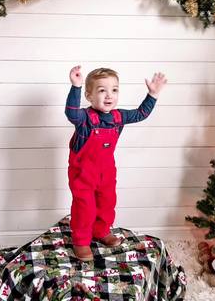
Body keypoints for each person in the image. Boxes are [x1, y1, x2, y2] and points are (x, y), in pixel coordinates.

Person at [65, 65, 167, 261]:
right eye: (102, 90)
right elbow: (71, 113)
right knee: (85, 207)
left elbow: (140, 114)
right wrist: (75, 86)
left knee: (107, 202)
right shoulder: (84, 119)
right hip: (83, 174)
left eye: (114, 90)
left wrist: (152, 95)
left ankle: (101, 231)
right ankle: (81, 240)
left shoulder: (118, 117)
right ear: (89, 95)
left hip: (106, 172)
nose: (109, 95)